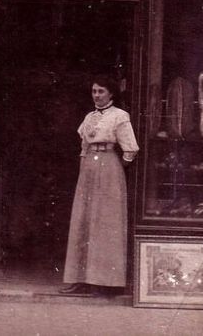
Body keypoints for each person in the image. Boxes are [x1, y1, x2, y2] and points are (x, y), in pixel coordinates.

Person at [59, 75, 139, 296]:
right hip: (89, 169)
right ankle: (81, 278)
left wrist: (115, 168)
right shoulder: (89, 117)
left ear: (111, 93)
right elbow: (84, 147)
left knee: (105, 221)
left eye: (101, 91)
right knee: (83, 219)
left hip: (109, 166)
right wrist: (86, 169)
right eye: (94, 91)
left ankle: (106, 282)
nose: (97, 95)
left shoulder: (120, 117)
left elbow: (130, 149)